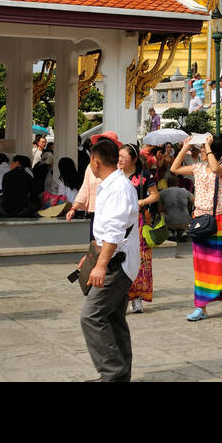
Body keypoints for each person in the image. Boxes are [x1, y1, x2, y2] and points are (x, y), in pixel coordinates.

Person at [78, 136, 139, 381]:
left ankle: (112, 374)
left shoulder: (118, 188)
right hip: (111, 258)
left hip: (117, 264)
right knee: (113, 319)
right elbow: (104, 232)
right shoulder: (110, 184)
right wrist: (92, 258)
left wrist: (101, 265)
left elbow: (114, 232)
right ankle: (120, 374)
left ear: (95, 161)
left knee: (91, 317)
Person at [187, 139, 222, 320]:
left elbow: (215, 169)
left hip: (218, 219)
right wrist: (185, 146)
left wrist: (208, 146)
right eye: (200, 148)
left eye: (203, 149)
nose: (201, 151)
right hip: (200, 218)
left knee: (219, 263)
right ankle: (201, 307)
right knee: (201, 266)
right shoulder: (198, 167)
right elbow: (175, 169)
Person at [119, 144, 159, 313]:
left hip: (139, 222)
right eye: (118, 156)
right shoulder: (115, 175)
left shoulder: (144, 175)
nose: (119, 160)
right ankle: (121, 298)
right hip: (119, 222)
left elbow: (155, 195)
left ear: (134, 160)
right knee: (120, 260)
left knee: (141, 260)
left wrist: (141, 202)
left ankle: (137, 298)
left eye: (123, 157)